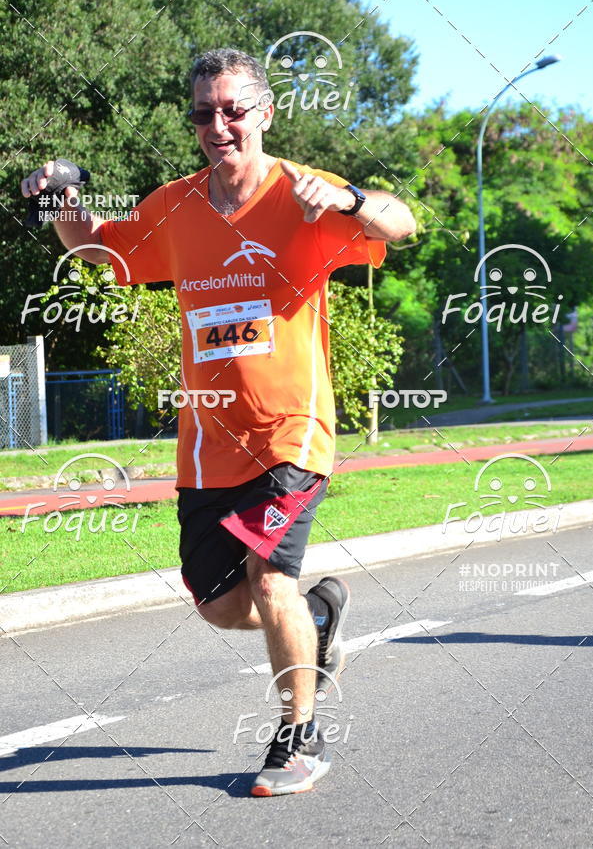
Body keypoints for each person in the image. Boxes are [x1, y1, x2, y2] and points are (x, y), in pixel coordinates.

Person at [20, 47, 416, 797]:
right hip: (209, 442)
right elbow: (96, 246)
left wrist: (351, 201)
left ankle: (300, 740)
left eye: (234, 109)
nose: (219, 125)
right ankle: (320, 621)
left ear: (264, 112)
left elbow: (403, 224)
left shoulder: (305, 193)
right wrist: (53, 200)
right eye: (205, 112)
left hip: (292, 430)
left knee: (271, 585)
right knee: (217, 603)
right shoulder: (175, 205)